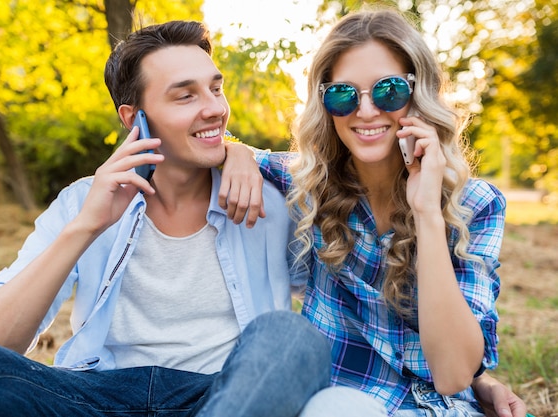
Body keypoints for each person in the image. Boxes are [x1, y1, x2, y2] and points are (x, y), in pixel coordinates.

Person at [0, 20, 386, 417]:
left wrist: (243, 152)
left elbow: (350, 195)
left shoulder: (270, 195)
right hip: (98, 396)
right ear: (135, 119)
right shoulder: (82, 204)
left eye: (215, 87)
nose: (214, 108)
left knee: (290, 336)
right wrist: (87, 226)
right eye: (185, 95)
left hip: (228, 395)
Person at [221, 7, 528, 417]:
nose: (365, 112)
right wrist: (235, 151)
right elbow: (202, 144)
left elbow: (454, 376)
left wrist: (427, 213)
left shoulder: (475, 204)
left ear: (418, 92)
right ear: (324, 102)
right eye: (344, 95)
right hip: (338, 403)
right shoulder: (308, 186)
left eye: (388, 91)